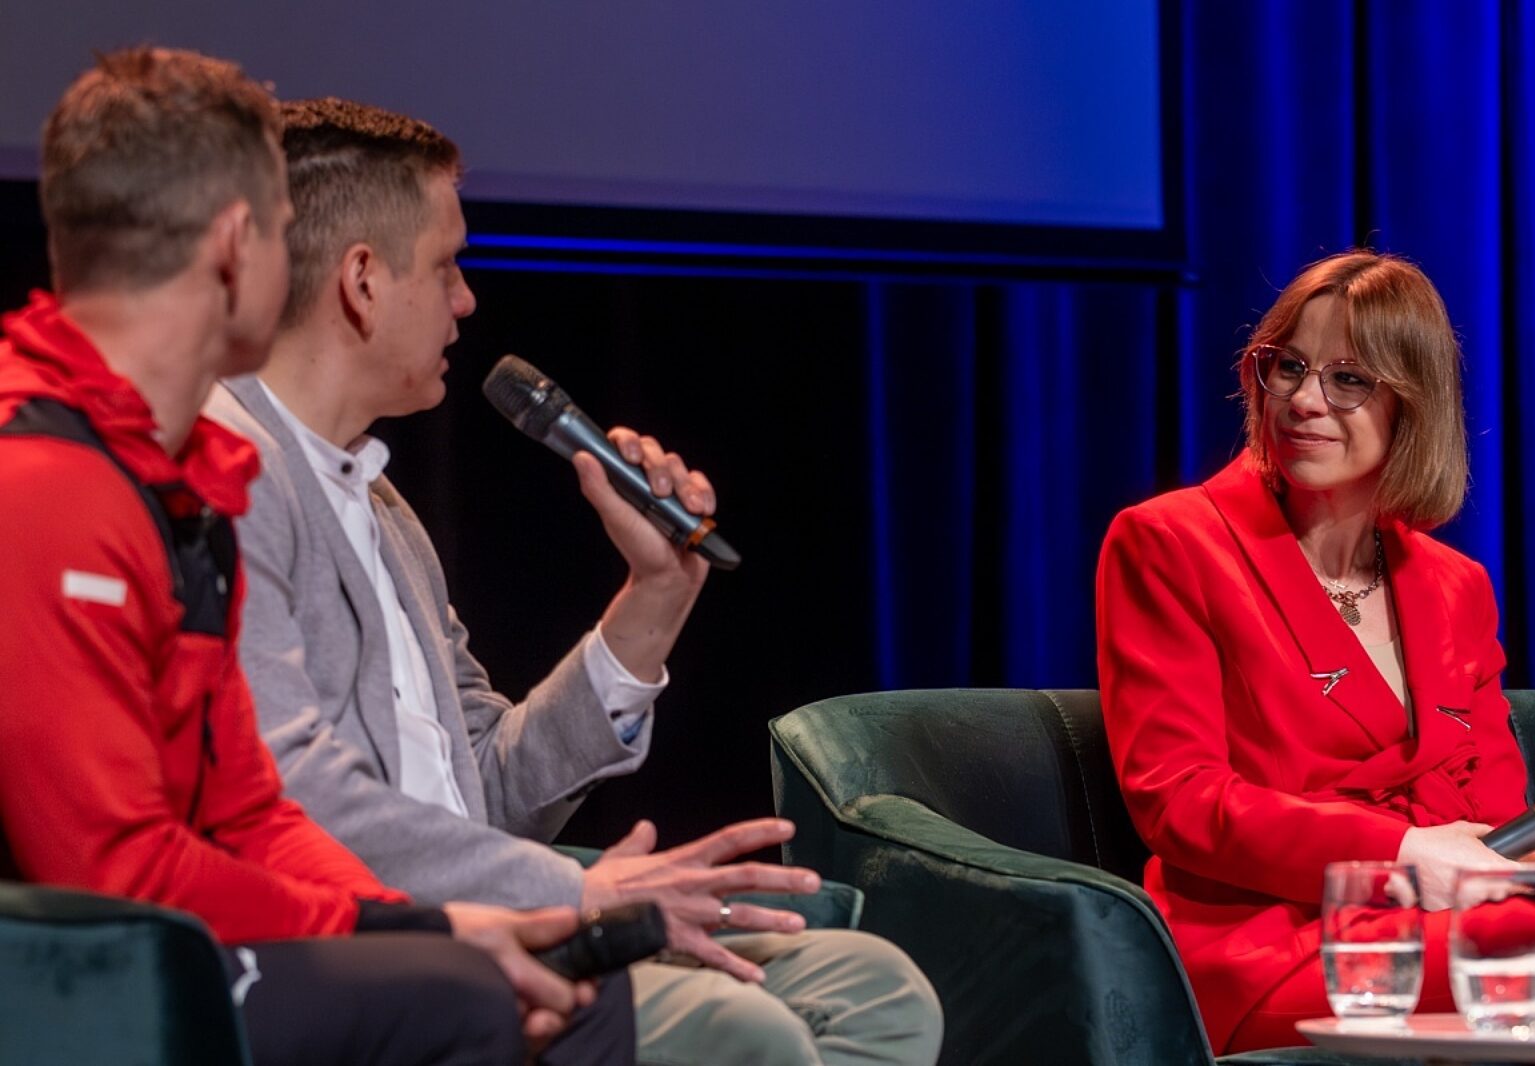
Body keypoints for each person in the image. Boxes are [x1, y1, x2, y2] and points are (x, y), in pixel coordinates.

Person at [204, 96, 943, 1066]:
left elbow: (489, 786)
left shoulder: (381, 507)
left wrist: (655, 594)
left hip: (501, 912)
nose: (467, 300)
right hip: (379, 945)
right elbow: (291, 794)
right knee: (744, 1031)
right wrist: (578, 892)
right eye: (446, 265)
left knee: (874, 990)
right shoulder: (228, 477)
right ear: (363, 281)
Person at [0, 47, 634, 1066]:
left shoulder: (182, 478)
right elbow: (112, 873)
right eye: (285, 227)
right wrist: (402, 931)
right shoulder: (42, 482)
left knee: (550, 992)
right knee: (473, 1001)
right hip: (86, 971)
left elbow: (251, 808)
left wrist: (442, 921)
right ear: (236, 246)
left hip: (175, 937)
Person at [1095, 249, 1535, 1053]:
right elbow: (1180, 800)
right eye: (1289, 367)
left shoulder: (1456, 585)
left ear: (1412, 404)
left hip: (1448, 918)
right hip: (1277, 942)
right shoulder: (1169, 543)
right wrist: (1401, 852)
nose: (1304, 400)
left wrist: (1520, 862)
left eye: (1349, 379)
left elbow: (1492, 808)